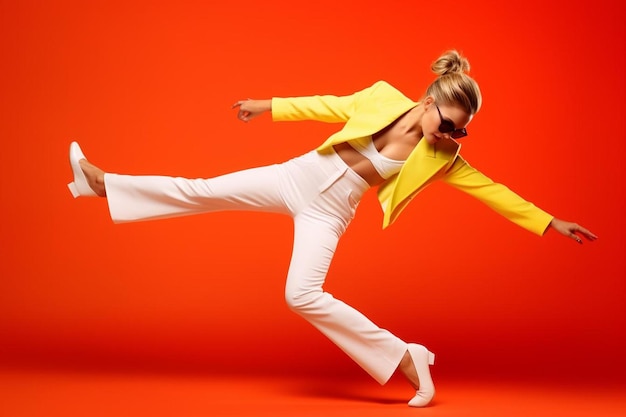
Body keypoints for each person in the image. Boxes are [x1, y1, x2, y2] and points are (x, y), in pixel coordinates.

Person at [67, 50, 597, 408]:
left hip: (330, 210)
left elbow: (494, 191)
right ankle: (103, 184)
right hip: (297, 176)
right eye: (448, 122)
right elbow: (329, 105)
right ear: (429, 100)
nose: (454, 134)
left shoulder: (444, 158)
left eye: (461, 129)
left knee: (300, 294)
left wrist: (550, 222)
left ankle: (406, 357)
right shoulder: (382, 98)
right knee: (202, 189)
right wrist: (267, 106)